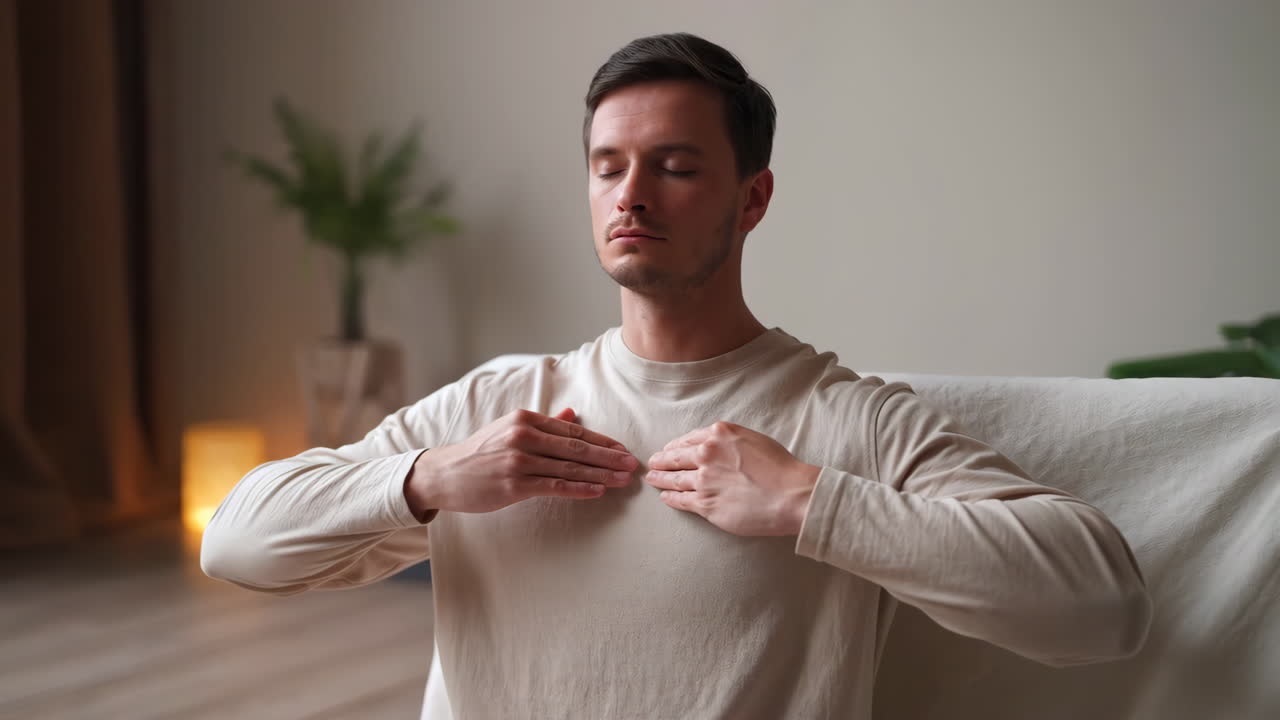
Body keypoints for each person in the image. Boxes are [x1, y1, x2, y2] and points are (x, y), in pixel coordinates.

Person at [202, 32, 1152, 720]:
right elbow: (236, 545)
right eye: (607, 166)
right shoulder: (500, 403)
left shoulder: (845, 421)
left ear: (753, 199)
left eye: (675, 166)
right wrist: (430, 480)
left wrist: (810, 503)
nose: (632, 194)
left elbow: (1106, 609)